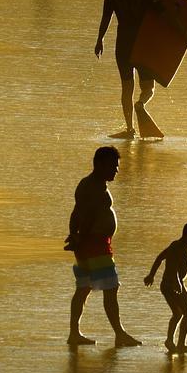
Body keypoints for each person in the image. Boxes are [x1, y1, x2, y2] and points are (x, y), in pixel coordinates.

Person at [65, 146, 141, 347]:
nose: (116, 170)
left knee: (83, 288)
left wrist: (74, 236)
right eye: (113, 166)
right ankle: (119, 334)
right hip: (95, 245)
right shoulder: (95, 187)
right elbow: (86, 215)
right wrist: (80, 237)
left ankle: (74, 333)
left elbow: (76, 213)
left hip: (89, 244)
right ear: (98, 164)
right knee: (111, 288)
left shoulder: (89, 184)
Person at [95, 0, 166, 139]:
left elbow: (106, 18)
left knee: (127, 87)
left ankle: (129, 129)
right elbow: (165, 17)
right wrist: (183, 33)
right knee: (148, 88)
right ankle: (140, 104)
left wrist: (99, 40)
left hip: (123, 45)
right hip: (142, 45)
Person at [145, 220, 187, 354]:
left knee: (178, 313)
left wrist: (152, 275)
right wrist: (178, 285)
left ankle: (172, 341)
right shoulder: (178, 248)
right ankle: (179, 344)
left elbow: (159, 258)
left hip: (169, 284)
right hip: (173, 284)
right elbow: (174, 270)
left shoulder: (176, 246)